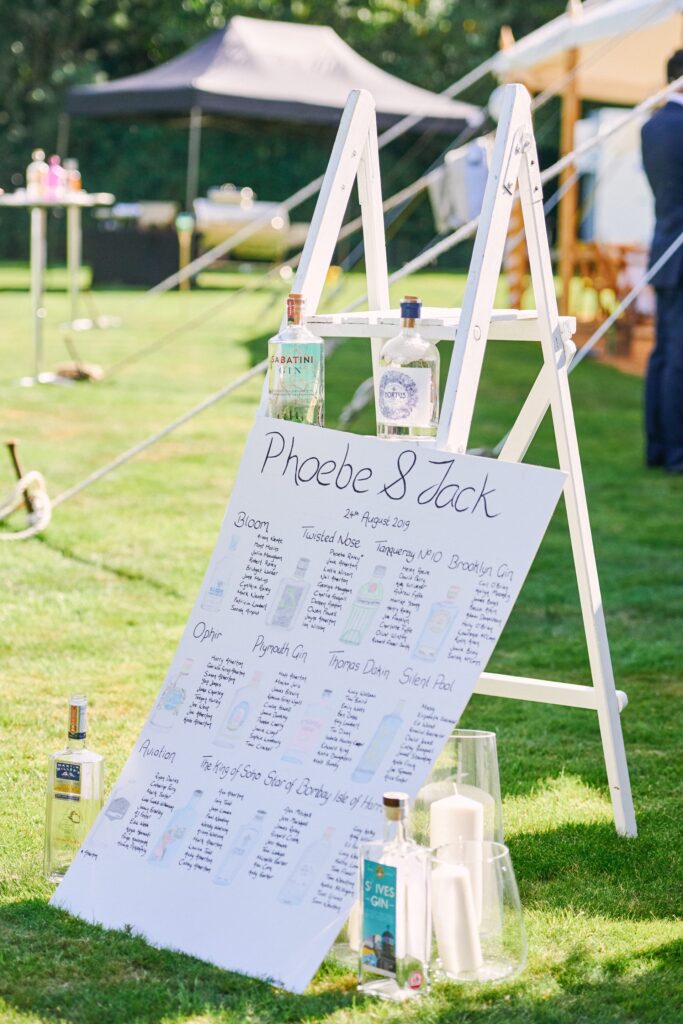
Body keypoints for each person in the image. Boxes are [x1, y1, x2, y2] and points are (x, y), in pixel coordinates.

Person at [641, 50, 683, 473]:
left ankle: (658, 447)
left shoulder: (654, 124)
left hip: (666, 250)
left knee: (664, 355)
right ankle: (675, 453)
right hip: (680, 254)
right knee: (677, 357)